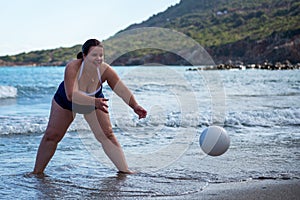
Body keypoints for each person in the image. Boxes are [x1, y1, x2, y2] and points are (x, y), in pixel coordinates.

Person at [32, 39, 147, 175]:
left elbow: (121, 90)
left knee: (107, 134)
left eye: (101, 55)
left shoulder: (105, 70)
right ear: (84, 56)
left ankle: (125, 170)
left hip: (94, 102)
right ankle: (37, 173)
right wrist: (95, 102)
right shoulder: (73, 67)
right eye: (94, 55)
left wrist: (135, 105)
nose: (98, 59)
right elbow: (71, 95)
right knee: (52, 135)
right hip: (67, 101)